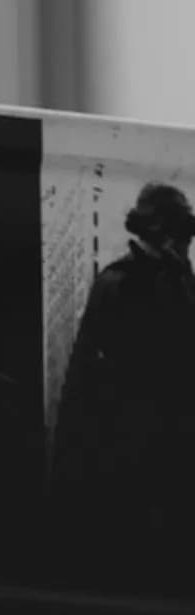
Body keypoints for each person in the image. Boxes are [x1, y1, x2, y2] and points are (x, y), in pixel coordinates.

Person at [52, 182, 195, 526]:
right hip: (134, 449)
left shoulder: (167, 281)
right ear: (168, 234)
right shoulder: (126, 284)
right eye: (185, 234)